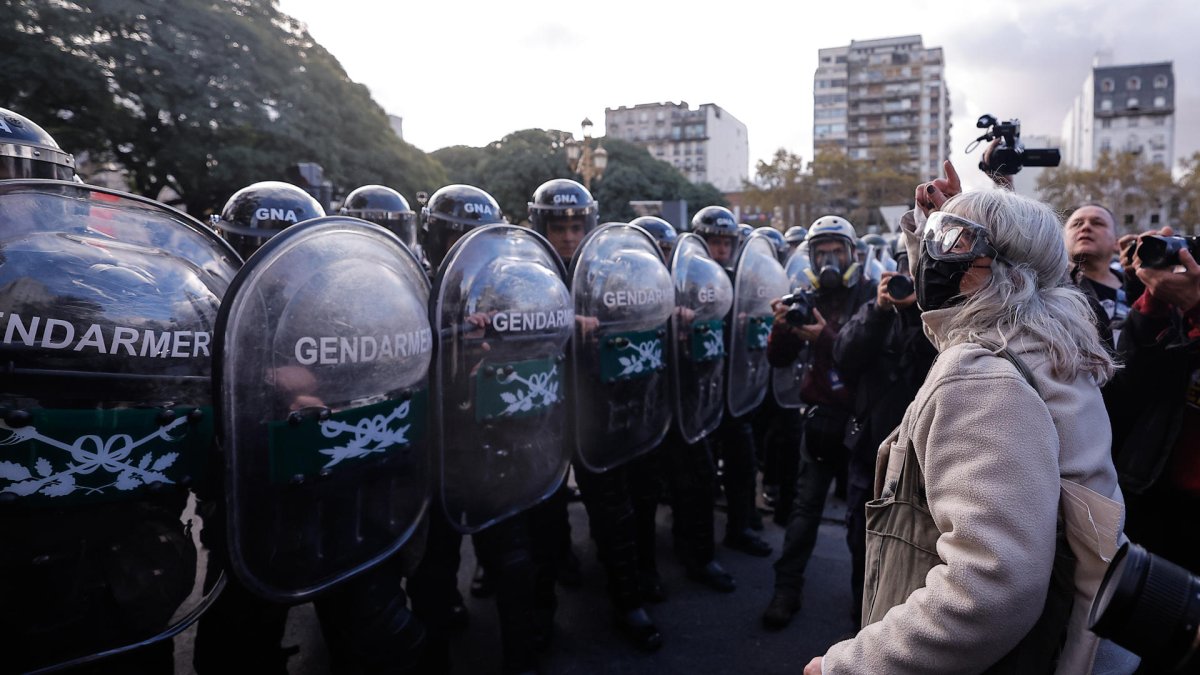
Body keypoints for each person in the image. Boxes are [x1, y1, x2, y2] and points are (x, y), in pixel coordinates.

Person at [806, 187, 1125, 674]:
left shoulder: (982, 376)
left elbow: (990, 588)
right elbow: (949, 320)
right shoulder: (1042, 340)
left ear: (1000, 266)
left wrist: (848, 667)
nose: (934, 258)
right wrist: (932, 229)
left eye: (950, 241)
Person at [761, 215, 873, 630]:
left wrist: (822, 338)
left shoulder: (869, 299)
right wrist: (782, 330)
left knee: (861, 523)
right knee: (803, 512)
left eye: (836, 251)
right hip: (819, 421)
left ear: (851, 254)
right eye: (821, 252)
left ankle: (865, 606)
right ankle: (785, 590)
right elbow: (779, 361)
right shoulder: (806, 298)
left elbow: (859, 357)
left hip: (861, 426)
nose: (828, 259)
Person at [832, 237, 936, 622]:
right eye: (902, 270)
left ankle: (900, 630)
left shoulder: (941, 319)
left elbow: (929, 360)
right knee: (863, 542)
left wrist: (915, 312)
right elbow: (844, 357)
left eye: (917, 270)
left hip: (922, 458)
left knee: (917, 547)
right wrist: (879, 309)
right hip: (870, 452)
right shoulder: (872, 311)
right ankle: (862, 621)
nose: (907, 280)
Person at [1106, 228, 1200, 576]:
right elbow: (1131, 382)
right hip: (1158, 490)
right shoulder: (1179, 309)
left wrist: (1196, 306)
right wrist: (1152, 302)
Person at [692, 205, 773, 558]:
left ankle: (740, 527)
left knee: (743, 464)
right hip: (699, 395)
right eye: (714, 241)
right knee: (702, 477)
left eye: (727, 241)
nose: (721, 248)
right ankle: (699, 549)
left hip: (733, 392)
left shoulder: (744, 279)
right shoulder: (688, 280)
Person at [1064, 204, 1128, 344]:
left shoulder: (1141, 289)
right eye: (1077, 224)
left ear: (1117, 243)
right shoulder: (1050, 289)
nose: (1085, 227)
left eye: (1097, 223)